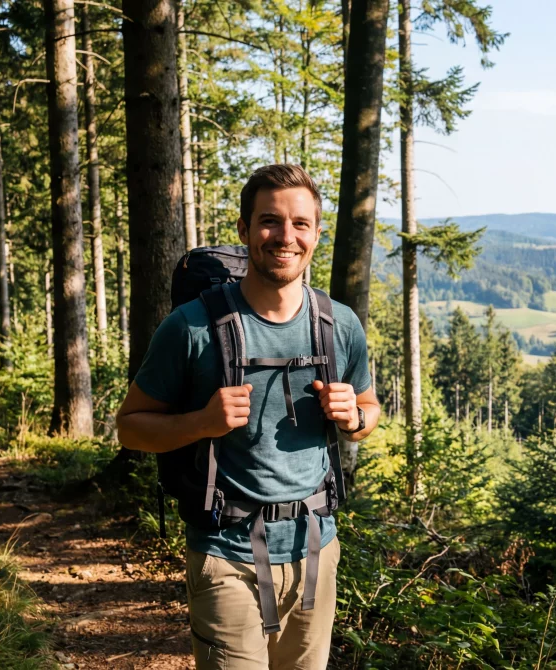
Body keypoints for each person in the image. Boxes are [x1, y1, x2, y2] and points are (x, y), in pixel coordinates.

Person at [115, 164, 379, 670]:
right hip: (225, 555)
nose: (286, 236)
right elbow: (130, 425)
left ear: (317, 234)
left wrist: (354, 419)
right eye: (269, 221)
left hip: (316, 553)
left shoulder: (338, 325)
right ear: (243, 230)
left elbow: (369, 412)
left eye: (301, 223)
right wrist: (202, 422)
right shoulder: (191, 327)